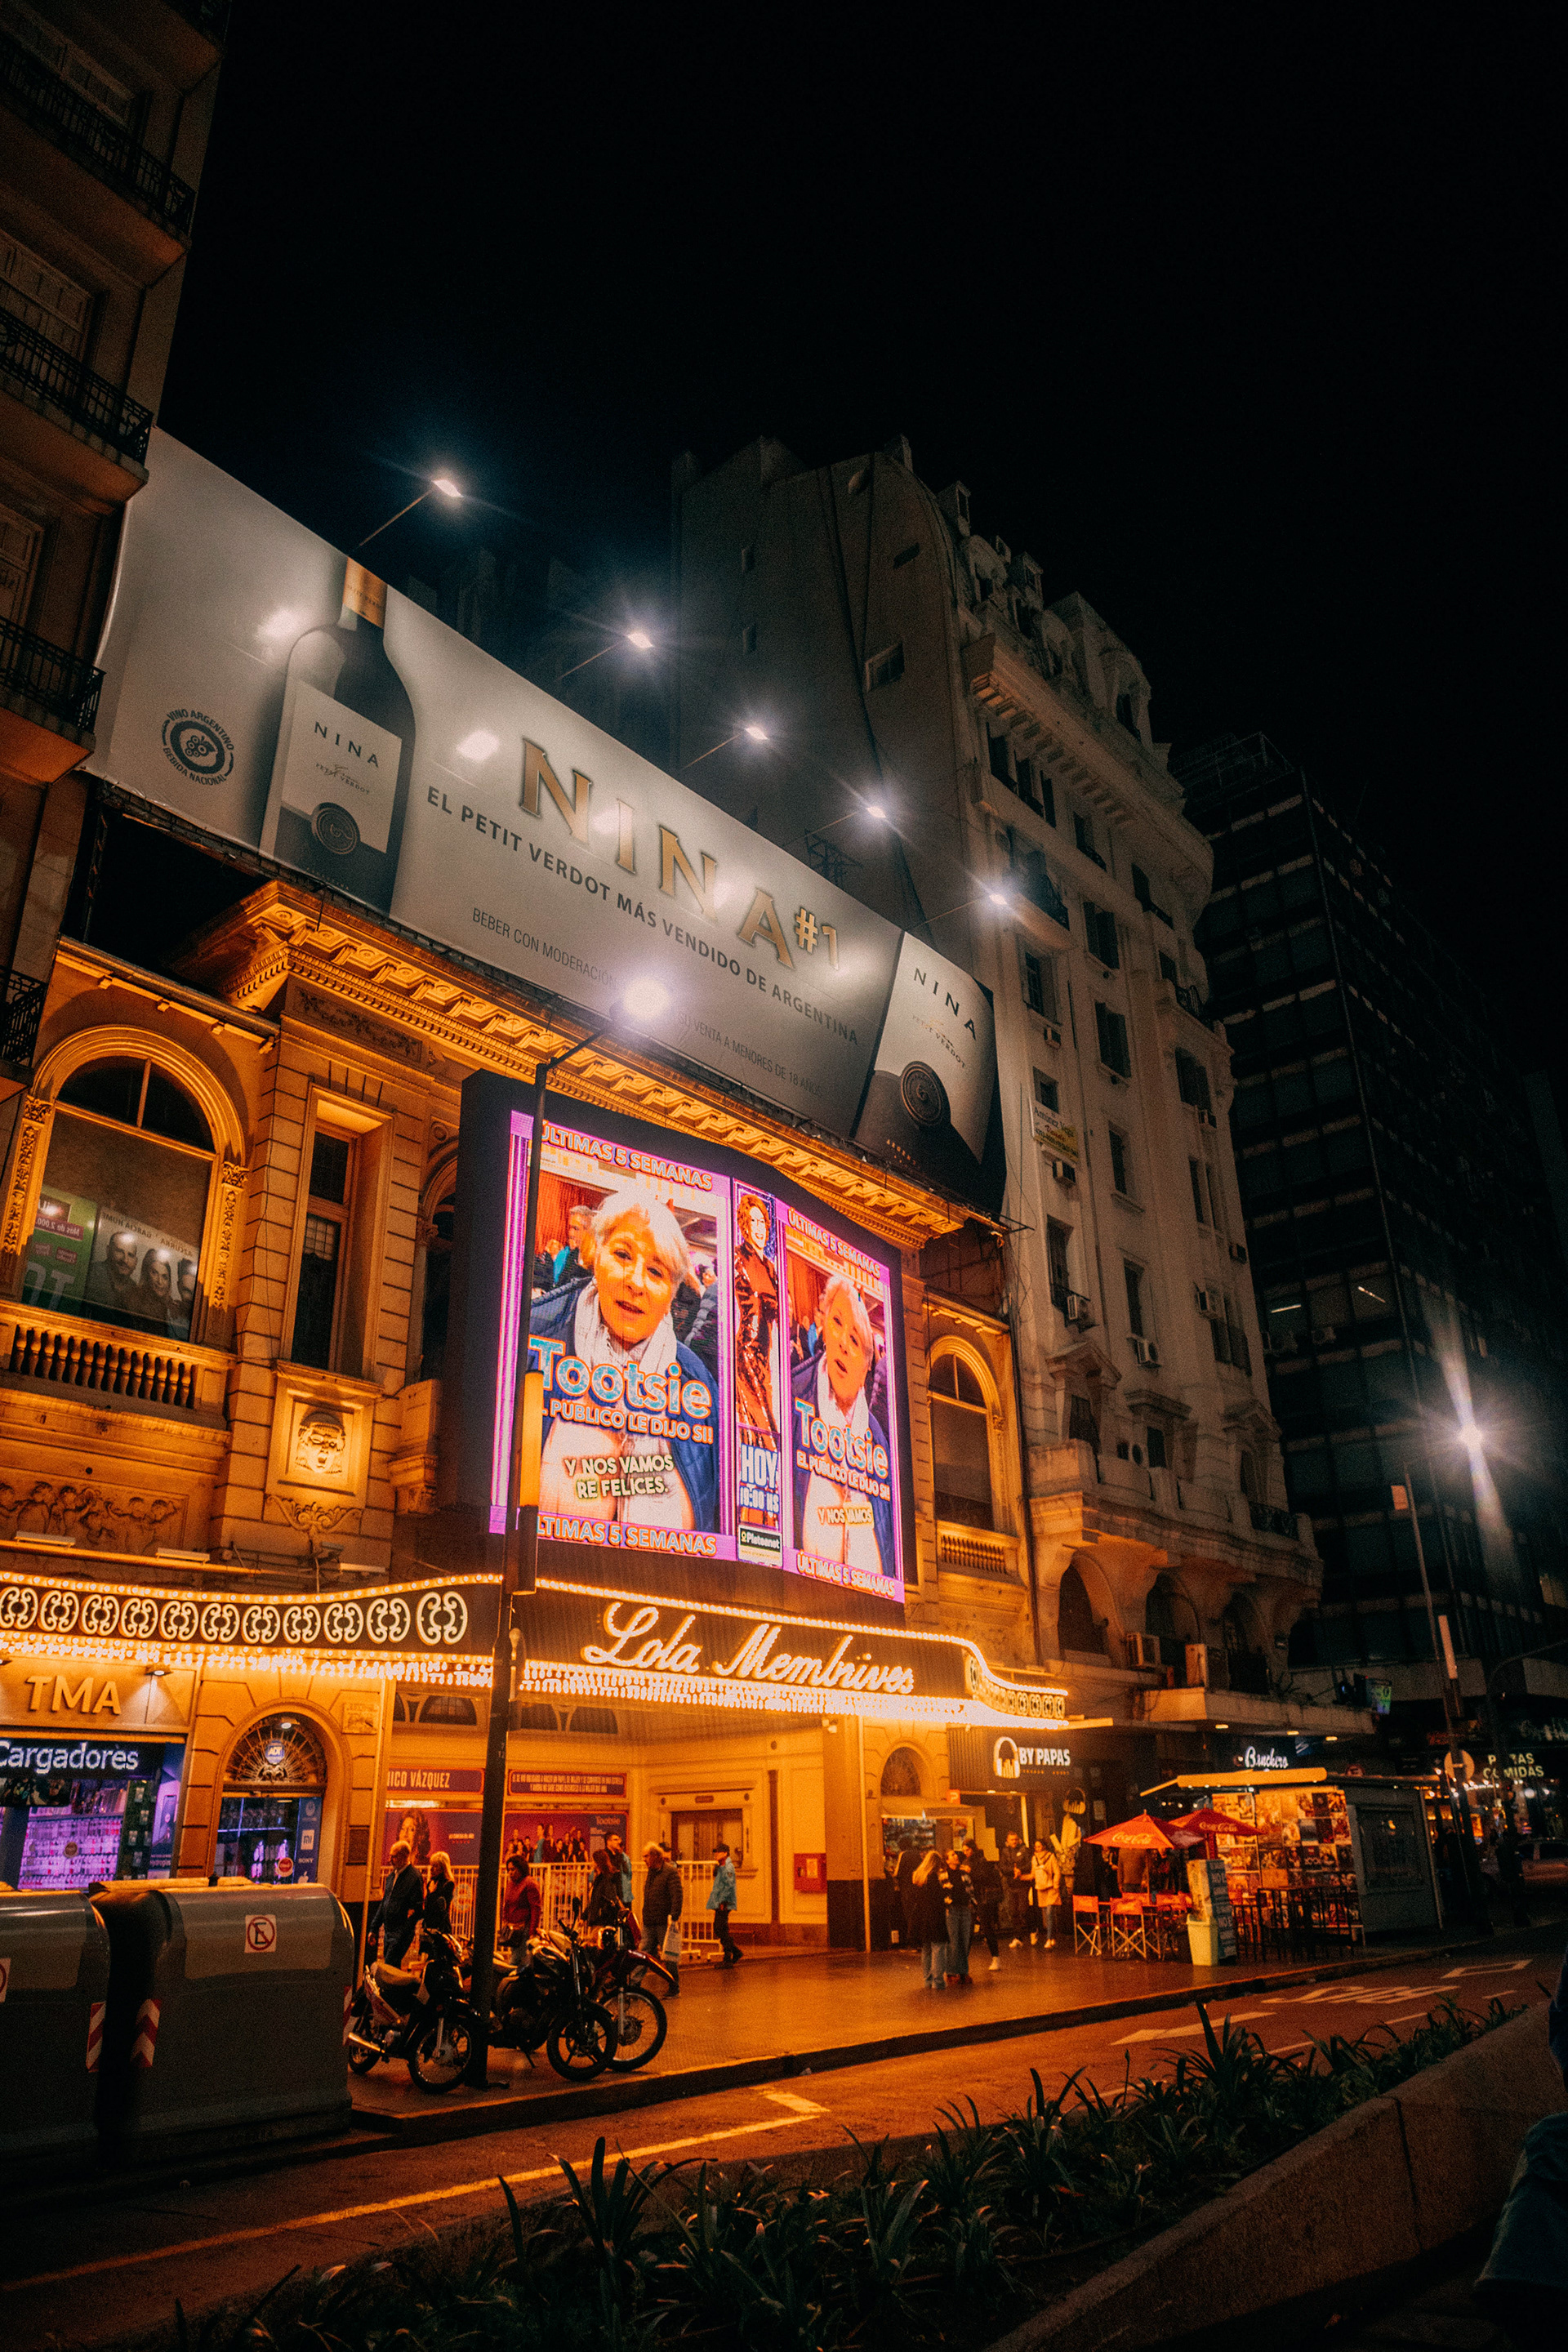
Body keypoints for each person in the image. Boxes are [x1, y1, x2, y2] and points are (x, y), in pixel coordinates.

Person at [532, 1186, 717, 1532]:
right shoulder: (532, 1333)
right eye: (623, 1255)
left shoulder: (699, 1383)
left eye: (657, 1272)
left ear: (672, 1295)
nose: (637, 1282)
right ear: (596, 1255)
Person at [790, 1272, 896, 1576]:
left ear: (868, 1364)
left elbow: (887, 1535)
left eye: (856, 1340)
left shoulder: (879, 1440)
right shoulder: (790, 1397)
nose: (843, 1345)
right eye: (837, 1322)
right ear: (822, 1327)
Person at [373, 1839, 424, 1967]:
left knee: (390, 1964)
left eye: (394, 1856)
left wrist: (403, 1931)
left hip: (400, 1932)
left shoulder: (414, 1877)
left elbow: (416, 1909)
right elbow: (384, 1903)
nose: (391, 1859)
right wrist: (374, 1928)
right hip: (388, 1931)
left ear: (404, 1856)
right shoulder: (391, 1877)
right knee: (391, 1966)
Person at [642, 1842, 684, 1993]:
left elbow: (677, 1895)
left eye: (646, 1856)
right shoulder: (651, 1872)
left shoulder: (670, 1872)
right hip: (649, 1920)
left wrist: (674, 1916)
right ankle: (633, 1986)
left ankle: (673, 1985)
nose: (644, 1859)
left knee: (669, 1956)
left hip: (663, 1921)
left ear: (655, 1856)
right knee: (643, 1953)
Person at [909, 1848, 949, 1989]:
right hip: (934, 1916)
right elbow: (938, 1898)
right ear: (935, 1864)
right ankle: (938, 1981)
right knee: (938, 1947)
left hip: (921, 1917)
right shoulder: (932, 1878)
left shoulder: (918, 1877)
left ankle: (927, 1980)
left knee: (926, 1949)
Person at [966, 1838, 1003, 1971]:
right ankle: (963, 1962)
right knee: (969, 1930)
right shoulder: (967, 1862)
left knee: (987, 1928)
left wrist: (970, 1872)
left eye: (967, 1850)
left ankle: (995, 1957)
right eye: (964, 1850)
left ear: (973, 1848)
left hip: (982, 1898)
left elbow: (983, 1877)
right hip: (973, 1899)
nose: (966, 1853)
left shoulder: (981, 1861)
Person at [85, 1229, 140, 1316]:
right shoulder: (89, 1273)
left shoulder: (135, 1290)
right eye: (119, 1251)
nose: (125, 1260)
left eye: (130, 1255)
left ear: (136, 1262)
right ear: (108, 1251)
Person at [942, 1844, 975, 1985]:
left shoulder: (964, 1873)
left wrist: (973, 1904)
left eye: (955, 1854)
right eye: (952, 1855)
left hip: (964, 1908)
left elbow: (970, 1889)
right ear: (947, 1860)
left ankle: (963, 1971)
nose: (956, 1856)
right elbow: (943, 1892)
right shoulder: (944, 1874)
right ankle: (951, 1972)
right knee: (953, 1942)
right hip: (952, 1909)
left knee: (964, 1941)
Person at [706, 1842, 742, 1965]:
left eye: (718, 1852)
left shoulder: (728, 1867)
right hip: (720, 1902)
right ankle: (731, 1955)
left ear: (725, 1853)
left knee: (719, 1928)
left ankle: (732, 1953)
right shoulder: (721, 1867)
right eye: (715, 1852)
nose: (715, 1854)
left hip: (723, 1903)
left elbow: (729, 1885)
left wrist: (723, 1901)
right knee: (722, 1929)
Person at [582, 1847, 631, 1933]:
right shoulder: (599, 1879)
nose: (591, 1863)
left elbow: (608, 1899)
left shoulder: (606, 1880)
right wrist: (584, 1917)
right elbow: (595, 1901)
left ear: (598, 1863)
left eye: (593, 1861)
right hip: (598, 1920)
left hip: (601, 1922)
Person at [500, 1851, 541, 1943]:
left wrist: (532, 1932)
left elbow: (535, 1909)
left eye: (513, 1869)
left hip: (525, 1930)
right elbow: (506, 1904)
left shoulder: (530, 1883)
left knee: (517, 1957)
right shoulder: (510, 1884)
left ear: (520, 1869)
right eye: (509, 1870)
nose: (510, 1873)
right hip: (512, 1931)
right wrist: (505, 1922)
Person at [553, 1203, 592, 1288]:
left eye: (576, 1229)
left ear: (589, 1231)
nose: (571, 1233)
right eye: (570, 1228)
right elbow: (560, 1284)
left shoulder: (595, 1260)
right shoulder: (573, 1255)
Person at [1000, 1831, 1028, 1946]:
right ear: (1007, 1840)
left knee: (1023, 1909)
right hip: (1011, 1885)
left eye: (1016, 1839)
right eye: (1012, 1840)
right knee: (1013, 1911)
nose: (1014, 1842)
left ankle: (1032, 1929)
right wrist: (1013, 1871)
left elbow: (1029, 1864)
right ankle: (1017, 1937)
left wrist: (1020, 1869)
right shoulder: (1005, 1852)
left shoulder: (1024, 1850)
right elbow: (1002, 1867)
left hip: (1022, 1884)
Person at [1031, 1839, 1061, 1949]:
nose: (1037, 1848)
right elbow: (1033, 1874)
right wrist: (1021, 1876)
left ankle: (1048, 1938)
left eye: (1039, 1846)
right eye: (1036, 1847)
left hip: (1050, 1888)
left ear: (1044, 1846)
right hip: (1040, 1888)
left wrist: (1056, 1884)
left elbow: (1057, 1871)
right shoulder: (1034, 1858)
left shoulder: (1051, 1856)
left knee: (1049, 1913)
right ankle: (1052, 1937)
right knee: (1046, 1915)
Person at [423, 1850, 456, 1937]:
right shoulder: (431, 1883)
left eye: (435, 1866)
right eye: (431, 1865)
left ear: (443, 1868)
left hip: (441, 1929)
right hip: (428, 1926)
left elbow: (440, 1908)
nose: (431, 1869)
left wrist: (432, 1893)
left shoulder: (448, 1884)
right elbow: (427, 1906)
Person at [604, 1831, 634, 1908]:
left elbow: (627, 1871)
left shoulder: (620, 1855)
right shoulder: (604, 1855)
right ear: (608, 1841)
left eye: (618, 1840)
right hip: (611, 1894)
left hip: (623, 1893)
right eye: (615, 1840)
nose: (618, 1842)